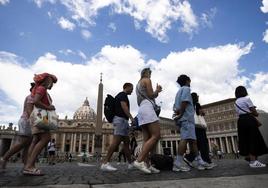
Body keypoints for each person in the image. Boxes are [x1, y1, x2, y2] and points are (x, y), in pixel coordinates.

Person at [23, 73, 57, 175]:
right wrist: (48, 107)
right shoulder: (42, 89)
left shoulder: (40, 89)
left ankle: (29, 165)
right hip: (41, 118)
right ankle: (29, 166)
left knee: (35, 140)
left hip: (38, 117)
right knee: (45, 139)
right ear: (48, 81)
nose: (52, 85)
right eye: (52, 82)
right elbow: (36, 101)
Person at [172, 75, 206, 172]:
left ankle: (200, 161)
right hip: (187, 118)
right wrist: (181, 114)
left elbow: (175, 107)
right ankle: (177, 163)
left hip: (186, 119)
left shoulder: (178, 92)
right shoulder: (186, 89)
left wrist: (179, 113)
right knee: (185, 139)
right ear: (188, 81)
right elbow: (185, 102)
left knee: (193, 141)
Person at [133, 68, 162, 174]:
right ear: (147, 73)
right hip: (147, 108)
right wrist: (157, 91)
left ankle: (147, 164)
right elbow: (151, 95)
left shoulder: (137, 84)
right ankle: (139, 160)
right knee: (156, 135)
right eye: (150, 73)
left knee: (147, 139)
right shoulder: (147, 80)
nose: (151, 75)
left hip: (141, 110)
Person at [0, 83, 35, 170]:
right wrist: (35, 122)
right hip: (27, 121)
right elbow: (29, 111)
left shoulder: (33, 98)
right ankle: (4, 158)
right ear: (33, 90)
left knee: (27, 144)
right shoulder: (31, 97)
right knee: (22, 143)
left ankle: (26, 165)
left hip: (29, 121)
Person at [101, 83, 134, 171]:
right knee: (116, 142)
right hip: (120, 120)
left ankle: (131, 163)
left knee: (127, 143)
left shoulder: (121, 95)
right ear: (126, 87)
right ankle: (105, 163)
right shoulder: (122, 95)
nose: (132, 90)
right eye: (131, 88)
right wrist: (131, 117)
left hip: (123, 121)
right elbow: (124, 107)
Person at [234, 86, 268, 168]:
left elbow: (239, 111)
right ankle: (254, 161)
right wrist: (254, 111)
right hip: (249, 120)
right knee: (253, 139)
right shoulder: (247, 99)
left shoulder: (235, 102)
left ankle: (250, 158)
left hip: (241, 121)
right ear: (244, 91)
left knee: (245, 139)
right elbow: (255, 113)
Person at [183, 93, 216, 169]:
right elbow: (201, 112)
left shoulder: (189, 105)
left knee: (198, 145)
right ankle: (205, 161)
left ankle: (189, 158)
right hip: (199, 127)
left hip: (194, 126)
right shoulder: (196, 104)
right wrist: (201, 112)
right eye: (197, 96)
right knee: (203, 144)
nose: (198, 96)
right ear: (194, 97)